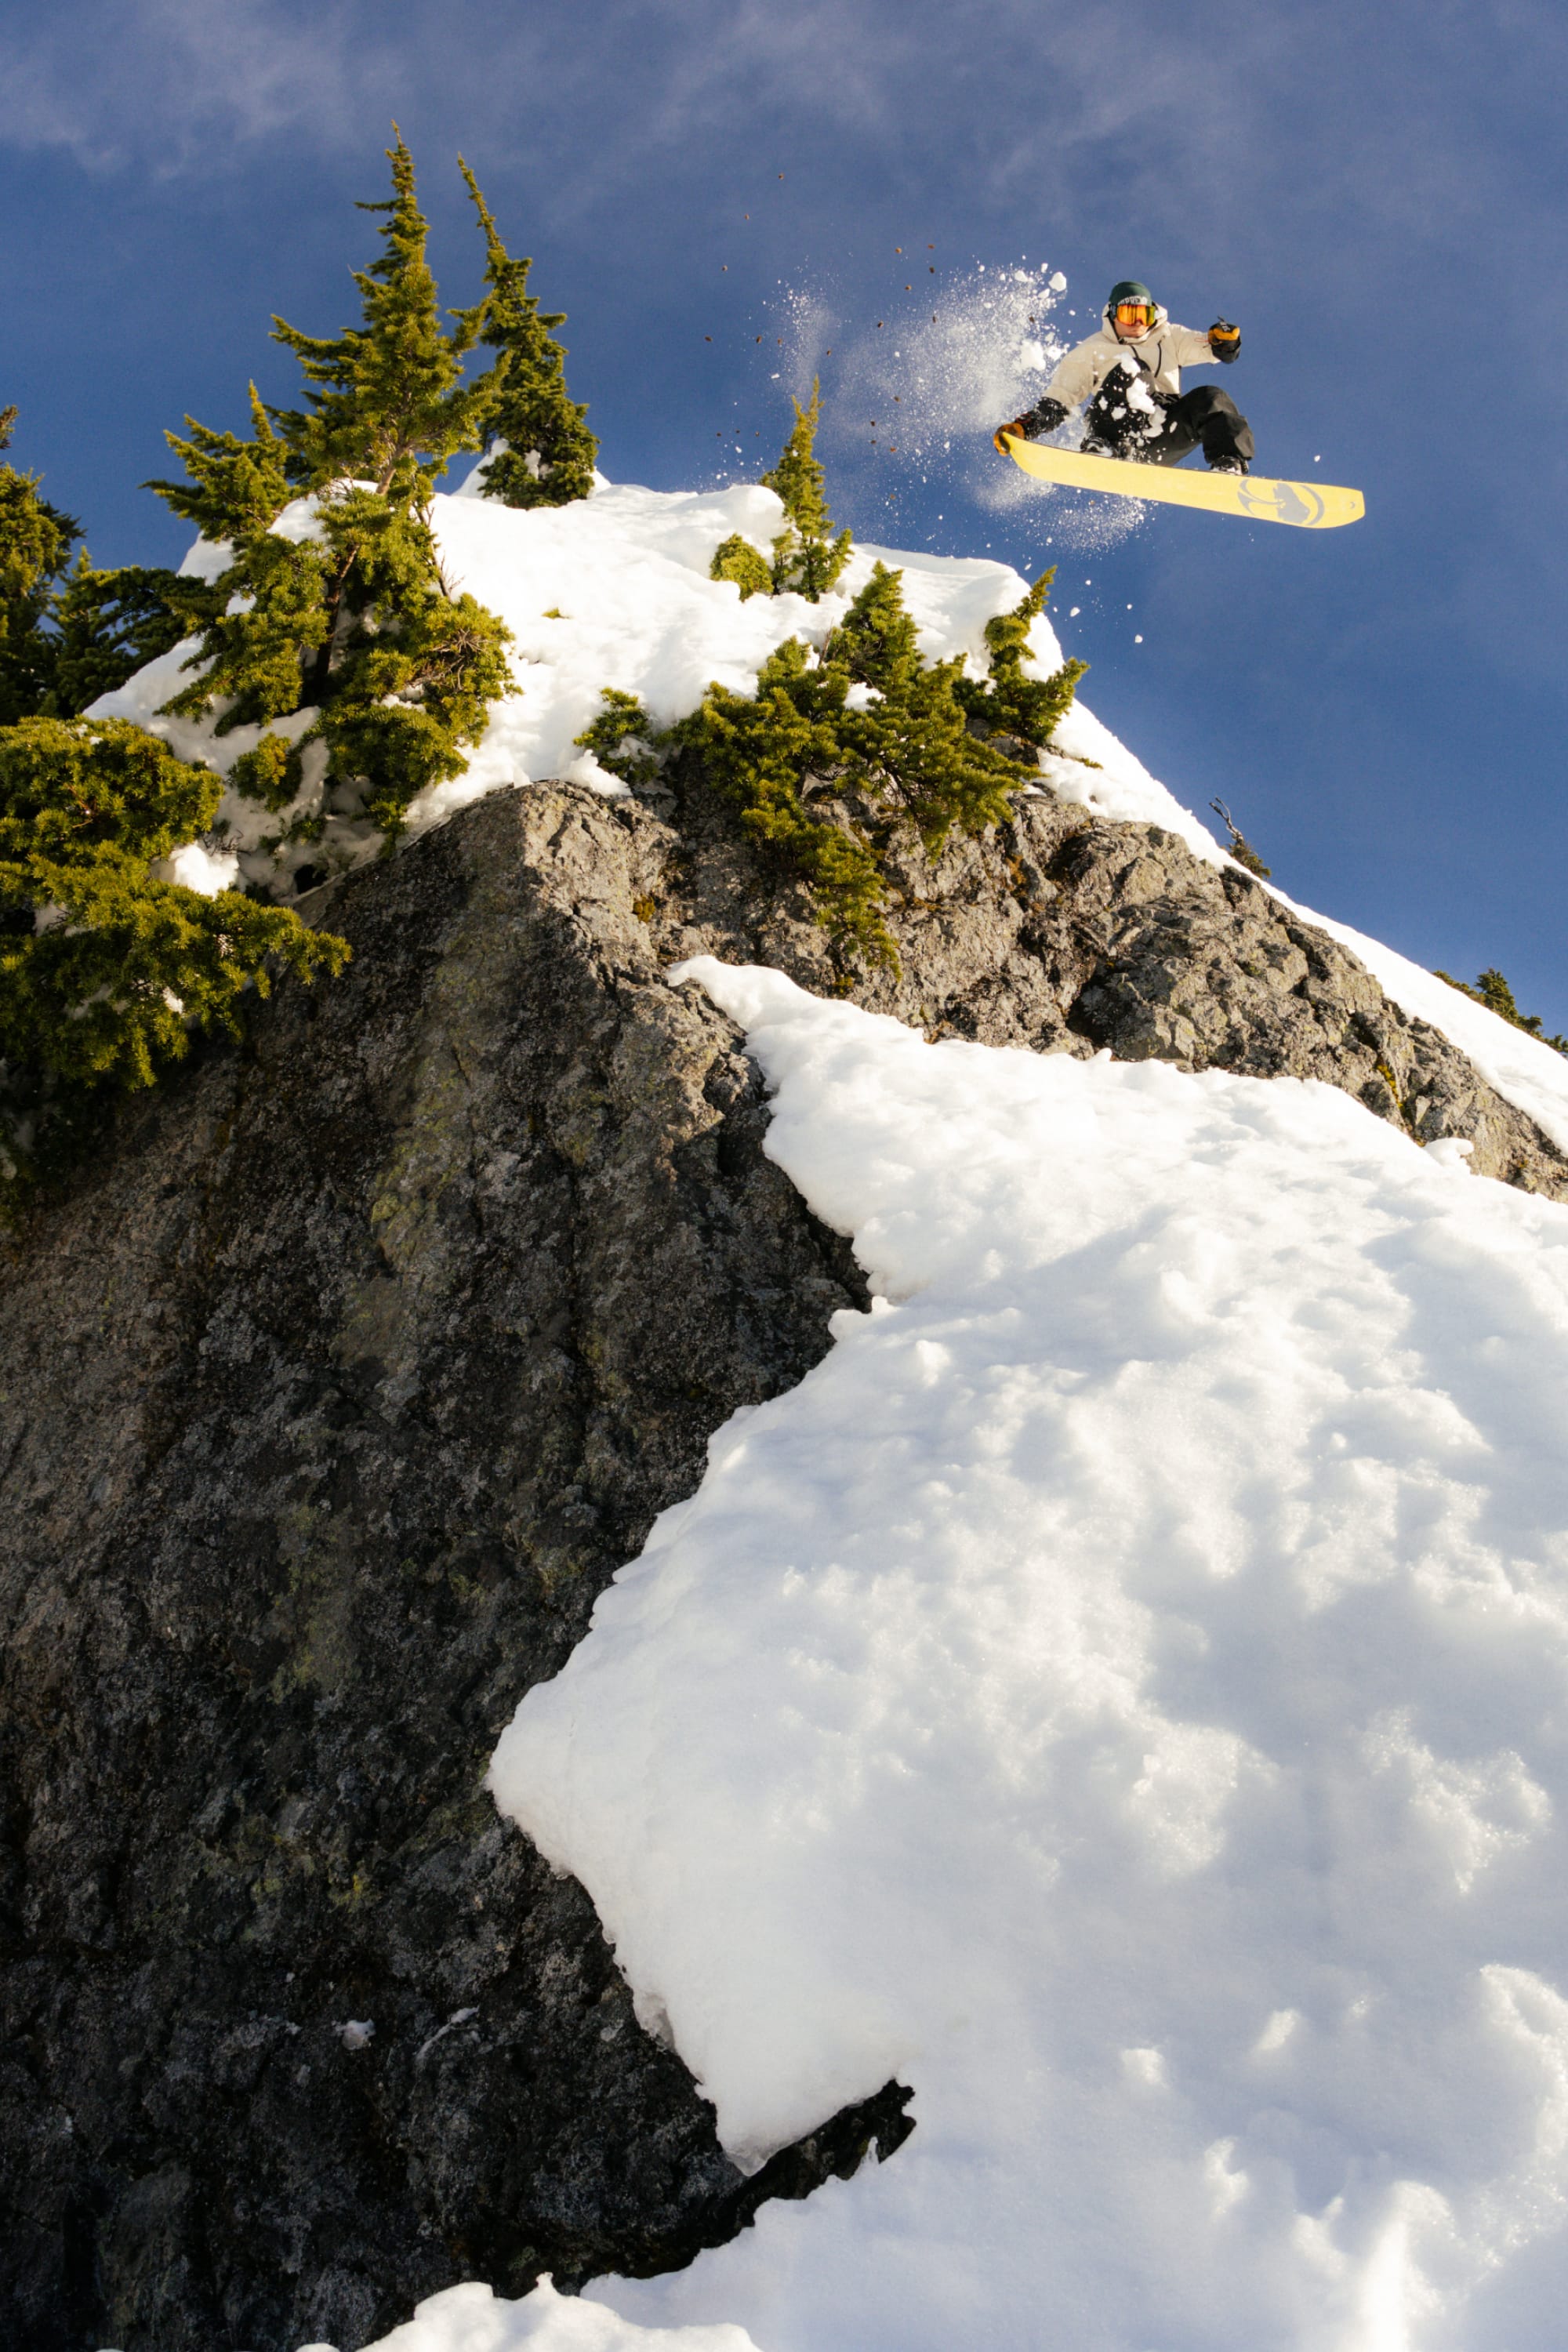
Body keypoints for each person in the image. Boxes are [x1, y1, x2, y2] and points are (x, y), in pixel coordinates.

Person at [994, 281, 1253, 474]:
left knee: (1211, 397)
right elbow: (1059, 400)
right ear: (1113, 315)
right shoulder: (1090, 351)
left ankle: (1228, 462)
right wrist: (1025, 427)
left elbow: (1215, 351)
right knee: (1132, 369)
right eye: (1130, 315)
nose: (1138, 323)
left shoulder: (1170, 336)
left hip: (1163, 432)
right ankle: (1104, 448)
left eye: (1145, 315)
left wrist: (1225, 342)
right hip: (1118, 429)